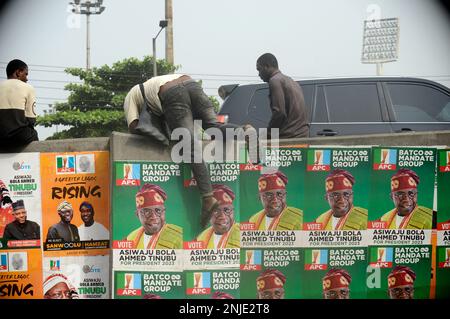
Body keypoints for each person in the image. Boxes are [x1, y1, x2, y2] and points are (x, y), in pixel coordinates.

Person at [123, 74, 256, 228]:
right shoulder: (152, 89)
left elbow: (133, 126)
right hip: (191, 84)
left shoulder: (131, 95)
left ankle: (208, 198)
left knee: (189, 147)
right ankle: (245, 130)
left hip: (171, 92)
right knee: (213, 128)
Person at [256, 53, 309, 138]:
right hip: (302, 135)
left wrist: (266, 135)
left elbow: (279, 113)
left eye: (259, 69)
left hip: (289, 136)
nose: (259, 74)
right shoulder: (292, 81)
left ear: (267, 66)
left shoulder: (275, 81)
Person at [126, 183, 182, 249]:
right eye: (146, 212)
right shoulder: (131, 238)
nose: (153, 216)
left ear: (164, 211)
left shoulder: (179, 236)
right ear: (138, 215)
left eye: (158, 210)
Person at [0, 59, 38, 146]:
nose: (27, 78)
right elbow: (31, 120)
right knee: (34, 134)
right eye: (26, 74)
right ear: (18, 72)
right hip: (19, 137)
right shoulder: (28, 88)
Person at [196, 184, 240, 248]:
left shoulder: (241, 233)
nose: (222, 216)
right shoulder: (201, 238)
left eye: (227, 210)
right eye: (215, 211)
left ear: (233, 211)